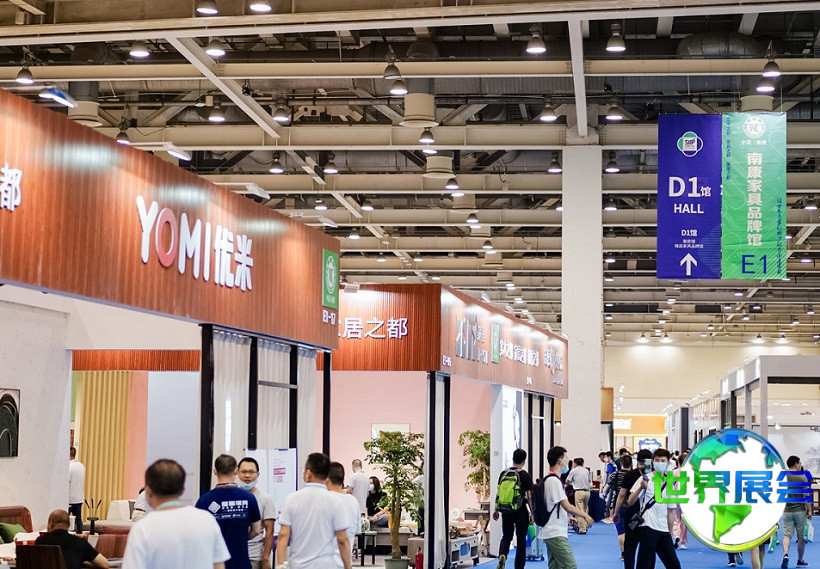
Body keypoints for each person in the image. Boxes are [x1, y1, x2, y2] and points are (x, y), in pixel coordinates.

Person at [123, 459, 230, 569]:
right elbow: (219, 565)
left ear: (148, 491)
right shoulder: (207, 519)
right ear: (183, 489)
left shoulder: (142, 529)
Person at [275, 452, 352, 569]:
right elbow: (342, 539)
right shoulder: (336, 502)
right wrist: (347, 566)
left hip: (297, 565)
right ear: (327, 475)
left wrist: (280, 564)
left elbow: (283, 535)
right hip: (326, 565)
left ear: (308, 473)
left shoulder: (291, 499)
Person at [196, 454, 262, 569]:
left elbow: (198, 534)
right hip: (241, 563)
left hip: (214, 563)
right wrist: (241, 537)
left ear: (215, 471)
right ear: (236, 471)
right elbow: (256, 530)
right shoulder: (249, 498)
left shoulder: (204, 500)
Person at [539, 446, 595, 569]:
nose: (567, 462)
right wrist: (585, 515)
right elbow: (567, 506)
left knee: (555, 566)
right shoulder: (554, 481)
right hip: (555, 532)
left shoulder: (551, 479)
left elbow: (555, 506)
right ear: (559, 461)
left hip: (553, 529)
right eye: (565, 458)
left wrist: (566, 519)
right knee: (570, 566)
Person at [627, 448, 681, 569]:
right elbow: (630, 501)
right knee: (644, 564)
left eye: (663, 460)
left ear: (668, 462)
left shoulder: (669, 482)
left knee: (674, 564)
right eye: (657, 460)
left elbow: (671, 511)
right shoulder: (645, 478)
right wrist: (641, 488)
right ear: (652, 461)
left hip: (663, 530)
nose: (660, 463)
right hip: (648, 527)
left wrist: (670, 533)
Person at [491, 448, 533, 569]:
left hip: (506, 510)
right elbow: (530, 496)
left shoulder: (503, 474)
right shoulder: (525, 475)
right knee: (521, 540)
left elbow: (499, 493)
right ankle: (519, 567)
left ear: (513, 459)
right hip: (520, 511)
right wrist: (532, 513)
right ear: (524, 461)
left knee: (506, 536)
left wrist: (496, 509)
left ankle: (502, 555)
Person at [613, 449, 652, 569]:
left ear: (637, 460)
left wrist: (616, 512)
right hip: (650, 514)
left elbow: (621, 495)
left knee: (630, 545)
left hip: (632, 513)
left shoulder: (629, 475)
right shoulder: (654, 476)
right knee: (649, 547)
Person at [238, 457, 277, 569]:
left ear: (257, 474)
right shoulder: (232, 497)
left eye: (251, 472)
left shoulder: (265, 499)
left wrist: (265, 558)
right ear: (237, 473)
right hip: (233, 555)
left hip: (254, 557)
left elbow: (270, 531)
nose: (247, 475)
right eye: (244, 472)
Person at [36, 509, 109, 569]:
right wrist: (83, 562)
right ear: (69, 525)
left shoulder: (39, 541)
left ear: (50, 523)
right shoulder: (79, 543)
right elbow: (105, 564)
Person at [781, 455, 813, 569]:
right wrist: (810, 510)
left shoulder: (783, 475)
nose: (800, 465)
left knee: (787, 535)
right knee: (801, 538)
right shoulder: (802, 477)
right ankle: (799, 560)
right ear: (795, 464)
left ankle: (785, 554)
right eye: (800, 463)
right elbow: (806, 495)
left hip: (786, 510)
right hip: (800, 511)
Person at [329, 462, 362, 558]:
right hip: (345, 558)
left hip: (325, 560)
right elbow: (357, 530)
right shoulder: (353, 502)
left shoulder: (325, 500)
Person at [607, 455, 633, 561]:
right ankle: (630, 552)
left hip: (619, 504)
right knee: (631, 531)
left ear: (621, 464)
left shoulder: (615, 474)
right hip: (632, 505)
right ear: (631, 464)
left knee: (621, 531)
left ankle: (623, 553)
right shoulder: (634, 475)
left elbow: (607, 488)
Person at [566, 457, 592, 534]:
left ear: (575, 463)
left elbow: (567, 481)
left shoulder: (573, 470)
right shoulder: (586, 470)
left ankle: (582, 529)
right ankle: (585, 525)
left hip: (579, 492)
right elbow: (589, 481)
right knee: (585, 509)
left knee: (579, 510)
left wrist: (571, 483)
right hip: (587, 492)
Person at [670, 450, 688, 550]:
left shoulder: (674, 472)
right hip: (686, 498)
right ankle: (683, 542)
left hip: (675, 497)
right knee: (684, 520)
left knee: (676, 519)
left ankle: (676, 535)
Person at [69, 447, 86, 533]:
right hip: (79, 497)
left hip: (69, 498)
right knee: (78, 518)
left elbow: (66, 481)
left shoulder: (68, 466)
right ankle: (80, 534)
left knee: (64, 519)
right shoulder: (81, 466)